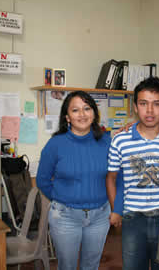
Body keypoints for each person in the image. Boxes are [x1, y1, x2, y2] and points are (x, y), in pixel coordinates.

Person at [106, 77, 159, 270]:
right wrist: (116, 211)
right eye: (143, 104)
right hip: (133, 219)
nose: (150, 111)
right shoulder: (121, 140)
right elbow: (111, 178)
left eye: (157, 104)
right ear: (135, 107)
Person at [37, 91, 115, 270]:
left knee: (91, 265)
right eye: (75, 110)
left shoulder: (107, 142)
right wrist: (62, 199)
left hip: (100, 216)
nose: (82, 114)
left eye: (87, 108)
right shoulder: (55, 144)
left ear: (94, 113)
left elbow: (116, 177)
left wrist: (115, 206)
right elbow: (42, 180)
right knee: (67, 266)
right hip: (65, 217)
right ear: (67, 117)